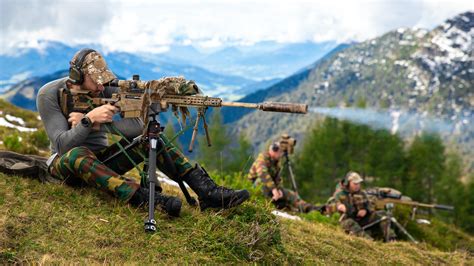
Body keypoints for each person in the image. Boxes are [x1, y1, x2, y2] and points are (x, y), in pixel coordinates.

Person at [36, 48, 249, 217]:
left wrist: (100, 125)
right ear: (77, 75)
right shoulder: (49, 94)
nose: (102, 87)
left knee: (152, 137)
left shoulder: (104, 88)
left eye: (104, 80)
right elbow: (63, 146)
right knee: (77, 154)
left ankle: (207, 192)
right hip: (65, 168)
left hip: (102, 164)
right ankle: (145, 199)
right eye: (96, 80)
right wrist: (88, 119)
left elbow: (140, 126)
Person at [247, 141, 318, 213]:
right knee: (260, 181)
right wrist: (274, 190)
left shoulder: (276, 163)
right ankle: (266, 203)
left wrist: (279, 190)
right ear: (274, 151)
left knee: (290, 194)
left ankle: (309, 208)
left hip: (270, 188)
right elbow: (263, 174)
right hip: (254, 187)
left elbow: (278, 179)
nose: (281, 155)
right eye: (280, 152)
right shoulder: (262, 157)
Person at [333, 171, 396, 240]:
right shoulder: (339, 194)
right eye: (355, 184)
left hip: (360, 220)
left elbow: (370, 206)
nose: (357, 186)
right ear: (348, 183)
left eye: (359, 183)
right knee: (350, 222)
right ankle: (369, 242)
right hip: (346, 221)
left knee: (382, 216)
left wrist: (365, 210)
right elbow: (338, 206)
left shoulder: (361, 193)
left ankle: (391, 239)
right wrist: (342, 207)